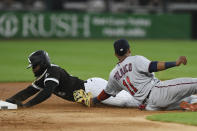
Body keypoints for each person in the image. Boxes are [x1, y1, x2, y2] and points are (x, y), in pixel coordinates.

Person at [75, 39, 197, 111]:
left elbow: (107, 93)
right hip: (158, 92)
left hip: (150, 106)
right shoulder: (135, 59)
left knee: (186, 98)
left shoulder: (113, 75)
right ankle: (188, 102)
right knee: (193, 83)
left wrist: (93, 100)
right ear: (129, 50)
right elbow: (153, 66)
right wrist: (175, 63)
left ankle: (187, 104)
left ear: (116, 54)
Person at [5, 50, 140, 108]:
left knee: (124, 101)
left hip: (92, 88)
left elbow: (47, 93)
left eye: (35, 66)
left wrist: (27, 105)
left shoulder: (53, 71)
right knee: (116, 101)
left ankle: (151, 99)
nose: (33, 69)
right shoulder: (44, 76)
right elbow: (29, 91)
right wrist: (10, 101)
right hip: (88, 93)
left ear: (42, 64)